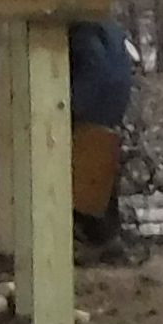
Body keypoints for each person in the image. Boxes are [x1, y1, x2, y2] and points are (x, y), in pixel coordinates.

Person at [66, 15, 137, 254]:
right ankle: (106, 231)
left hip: (92, 104)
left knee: (80, 166)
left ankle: (91, 232)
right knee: (102, 162)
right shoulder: (107, 26)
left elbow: (94, 67)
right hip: (114, 104)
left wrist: (70, 110)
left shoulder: (80, 32)